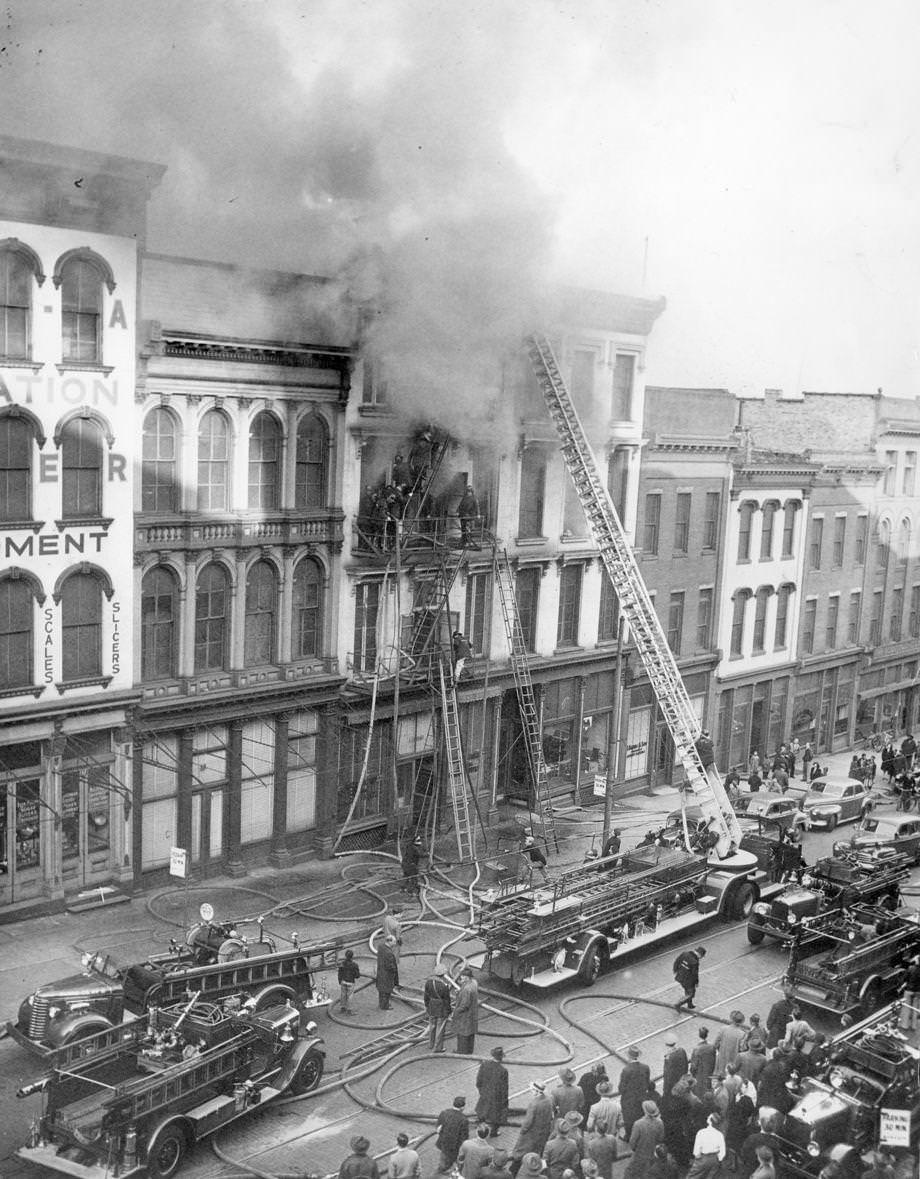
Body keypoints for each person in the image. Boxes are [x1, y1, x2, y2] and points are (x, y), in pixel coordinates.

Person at [510, 1083, 554, 1175]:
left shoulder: (534, 1104)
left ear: (537, 1091)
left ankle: (513, 1172)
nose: (531, 1092)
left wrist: (522, 1131)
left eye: (532, 1090)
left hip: (531, 1134)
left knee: (520, 1154)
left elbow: (528, 1122)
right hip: (543, 1132)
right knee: (538, 1152)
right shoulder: (548, 1100)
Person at [624, 1100, 664, 1179]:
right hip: (653, 1153)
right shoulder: (660, 1122)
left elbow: (632, 1142)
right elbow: (661, 1138)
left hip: (640, 1154)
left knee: (631, 1173)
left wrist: (635, 1149)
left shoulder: (638, 1124)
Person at [618, 1044, 651, 1136]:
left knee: (629, 1120)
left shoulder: (626, 1070)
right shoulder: (645, 1067)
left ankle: (629, 1136)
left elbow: (621, 1089)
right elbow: (647, 1083)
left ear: (629, 1056)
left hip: (629, 1100)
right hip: (641, 1098)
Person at [476, 1047, 510, 1136]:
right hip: (496, 1096)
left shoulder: (484, 1065)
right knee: (496, 1113)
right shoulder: (503, 1071)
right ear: (501, 1057)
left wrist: (481, 1091)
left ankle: (481, 1126)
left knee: (482, 1109)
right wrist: (504, 1099)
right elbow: (504, 1088)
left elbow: (479, 1080)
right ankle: (494, 1132)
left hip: (484, 1093)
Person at [424, 962, 453, 1052]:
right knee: (440, 1028)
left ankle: (430, 1044)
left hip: (431, 1006)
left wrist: (427, 1005)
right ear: (443, 974)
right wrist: (449, 1011)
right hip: (441, 1008)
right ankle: (438, 1047)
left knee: (432, 1025)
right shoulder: (444, 986)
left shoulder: (428, 982)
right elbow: (447, 1000)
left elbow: (426, 996)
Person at [436, 1097, 470, 1173]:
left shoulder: (444, 1112)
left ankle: (443, 1168)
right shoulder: (464, 1119)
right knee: (449, 1158)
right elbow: (464, 1136)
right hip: (454, 1145)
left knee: (444, 1156)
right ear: (462, 1107)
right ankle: (443, 1170)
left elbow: (438, 1127)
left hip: (443, 1141)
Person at [686, 1112, 725, 1177]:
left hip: (703, 1158)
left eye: (709, 1117)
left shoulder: (701, 1132)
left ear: (710, 1122)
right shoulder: (720, 1135)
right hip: (715, 1159)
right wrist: (718, 1159)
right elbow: (722, 1152)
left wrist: (698, 1159)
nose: (707, 1117)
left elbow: (696, 1151)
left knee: (692, 1176)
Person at [454, 965, 479, 1054]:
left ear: (468, 977)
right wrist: (460, 991)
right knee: (470, 1033)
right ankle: (469, 1050)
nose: (461, 978)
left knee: (462, 1033)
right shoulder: (474, 983)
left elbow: (465, 1005)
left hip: (465, 1015)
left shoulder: (467, 989)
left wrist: (456, 1012)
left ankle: (461, 1051)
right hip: (473, 1012)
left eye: (463, 976)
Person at [673, 945, 706, 1011]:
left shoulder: (684, 954)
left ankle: (690, 1005)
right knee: (691, 994)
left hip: (680, 976)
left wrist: (675, 970)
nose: (701, 958)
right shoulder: (695, 962)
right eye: (701, 957)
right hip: (688, 980)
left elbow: (676, 961)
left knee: (687, 990)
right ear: (699, 954)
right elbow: (695, 974)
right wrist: (696, 982)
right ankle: (678, 1004)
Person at [714, 1010, 746, 1075]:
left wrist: (720, 1050)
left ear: (731, 1019)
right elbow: (742, 1049)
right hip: (734, 1061)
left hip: (722, 1059)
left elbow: (715, 1044)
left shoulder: (723, 1029)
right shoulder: (742, 1034)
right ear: (742, 1021)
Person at [690, 1026, 716, 1100]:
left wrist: (692, 1073)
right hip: (708, 1073)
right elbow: (714, 1061)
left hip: (699, 1075)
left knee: (698, 1092)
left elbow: (693, 1066)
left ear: (699, 1035)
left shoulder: (697, 1049)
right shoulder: (711, 1047)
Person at [376, 936, 400, 1010]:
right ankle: (385, 1006)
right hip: (387, 975)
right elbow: (390, 966)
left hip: (380, 972)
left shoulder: (381, 947)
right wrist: (394, 970)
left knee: (381, 990)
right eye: (394, 941)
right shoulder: (389, 953)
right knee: (387, 991)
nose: (395, 943)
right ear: (389, 941)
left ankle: (381, 1004)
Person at [662, 1034, 689, 1098]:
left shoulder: (669, 1057)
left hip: (674, 1086)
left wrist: (665, 1090)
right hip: (682, 1082)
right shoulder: (682, 1051)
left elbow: (667, 1076)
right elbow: (686, 1065)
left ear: (666, 1044)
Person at [338, 948, 360, 1014]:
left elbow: (339, 973)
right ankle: (349, 1010)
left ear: (345, 955)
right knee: (350, 996)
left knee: (343, 995)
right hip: (350, 982)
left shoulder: (342, 963)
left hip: (343, 981)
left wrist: (340, 981)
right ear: (352, 956)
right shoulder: (355, 965)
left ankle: (343, 1008)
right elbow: (357, 976)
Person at [900, 954, 920, 1030]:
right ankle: (913, 1026)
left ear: (916, 961)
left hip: (909, 991)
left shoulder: (911, 968)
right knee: (915, 1008)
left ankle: (904, 1025)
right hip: (918, 992)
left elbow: (904, 979)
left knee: (906, 1008)